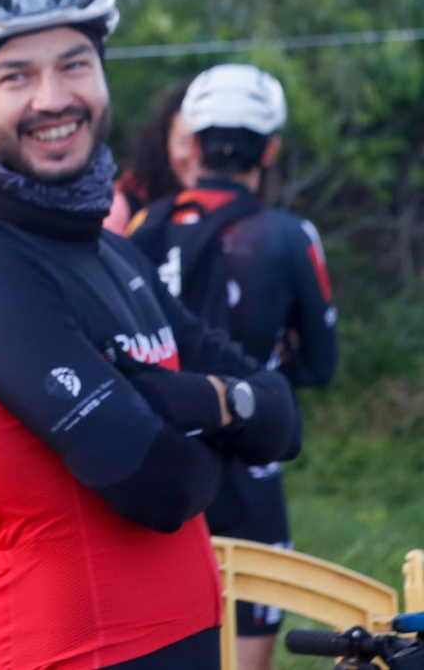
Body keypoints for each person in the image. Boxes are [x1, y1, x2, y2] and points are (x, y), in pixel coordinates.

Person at [0, 0, 303, 669]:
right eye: (16, 77)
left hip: (186, 636)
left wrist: (181, 400)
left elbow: (283, 418)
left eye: (74, 65)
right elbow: (159, 485)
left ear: (101, 76)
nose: (52, 98)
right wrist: (229, 411)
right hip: (71, 650)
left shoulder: (113, 250)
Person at [127, 64, 338, 670]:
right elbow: (321, 366)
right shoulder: (290, 235)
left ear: (192, 144)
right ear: (270, 149)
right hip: (251, 470)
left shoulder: (145, 226)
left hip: (160, 468)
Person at [106, 81, 198, 234]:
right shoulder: (122, 206)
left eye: (206, 142)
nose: (197, 154)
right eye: (184, 143)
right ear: (164, 143)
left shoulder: (242, 205)